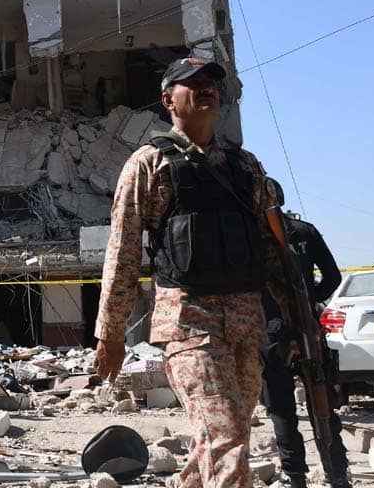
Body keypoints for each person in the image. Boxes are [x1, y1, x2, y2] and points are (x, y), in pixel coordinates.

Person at [95, 56, 287, 488]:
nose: (206, 89)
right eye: (192, 83)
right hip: (189, 324)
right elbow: (123, 251)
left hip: (246, 324)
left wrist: (293, 316)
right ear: (168, 100)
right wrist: (111, 333)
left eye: (211, 82)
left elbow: (271, 248)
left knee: (222, 438)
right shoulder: (148, 164)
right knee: (225, 440)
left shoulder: (245, 166)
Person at [259, 178, 350, 488]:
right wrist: (310, 302)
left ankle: (295, 477)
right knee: (322, 404)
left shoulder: (249, 237)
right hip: (308, 327)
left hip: (271, 332)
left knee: (281, 408)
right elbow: (332, 277)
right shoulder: (304, 231)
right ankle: (337, 474)